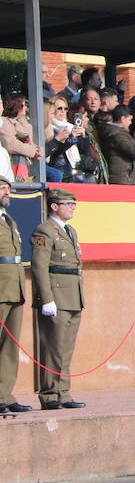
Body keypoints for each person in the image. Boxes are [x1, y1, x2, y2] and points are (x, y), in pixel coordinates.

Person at [30, 188, 85, 410]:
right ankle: (50, 393)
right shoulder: (44, 231)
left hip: (72, 294)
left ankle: (63, 391)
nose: (72, 207)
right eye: (67, 204)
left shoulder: (70, 231)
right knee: (53, 346)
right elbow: (40, 266)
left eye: (73, 204)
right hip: (56, 295)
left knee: (66, 348)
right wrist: (46, 298)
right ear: (54, 206)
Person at [0, 176, 30, 413]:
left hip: (14, 287)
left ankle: (4, 395)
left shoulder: (8, 219)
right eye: (2, 188)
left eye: (8, 188)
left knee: (10, 346)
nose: (6, 191)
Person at [100, 106, 135, 184]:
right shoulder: (116, 135)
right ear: (123, 119)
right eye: (130, 120)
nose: (130, 123)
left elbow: (134, 159)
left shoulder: (120, 133)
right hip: (121, 180)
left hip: (127, 178)